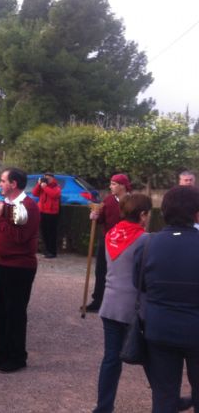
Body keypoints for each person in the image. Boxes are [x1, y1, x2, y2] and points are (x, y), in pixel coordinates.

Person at [134, 186, 199, 412]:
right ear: (197, 214)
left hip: (159, 329)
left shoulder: (147, 244)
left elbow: (138, 284)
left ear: (163, 212)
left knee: (163, 397)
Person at [93, 194, 152, 413]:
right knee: (150, 355)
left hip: (110, 304)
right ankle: (167, 399)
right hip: (135, 307)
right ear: (143, 214)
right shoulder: (145, 239)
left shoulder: (111, 234)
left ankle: (103, 407)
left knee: (111, 359)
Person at [0, 168, 40, 373]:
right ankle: (2, 352)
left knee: (15, 312)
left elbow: (18, 237)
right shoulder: (5, 205)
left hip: (20, 267)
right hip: (3, 264)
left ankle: (17, 356)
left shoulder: (29, 206)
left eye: (3, 181)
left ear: (13, 184)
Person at [87, 174, 132, 312]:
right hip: (106, 240)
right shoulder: (108, 200)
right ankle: (98, 300)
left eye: (113, 184)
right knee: (101, 271)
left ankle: (122, 303)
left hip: (126, 241)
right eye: (111, 183)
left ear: (122, 185)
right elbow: (101, 219)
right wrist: (95, 216)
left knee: (123, 272)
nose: (110, 186)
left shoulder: (133, 201)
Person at [32, 172, 62, 258]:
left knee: (51, 233)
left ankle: (52, 251)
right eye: (45, 178)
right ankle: (47, 250)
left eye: (48, 178)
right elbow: (35, 193)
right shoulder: (42, 186)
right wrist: (39, 184)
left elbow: (54, 195)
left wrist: (45, 187)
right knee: (44, 232)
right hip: (42, 211)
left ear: (52, 179)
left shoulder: (56, 186)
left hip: (52, 213)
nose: (47, 180)